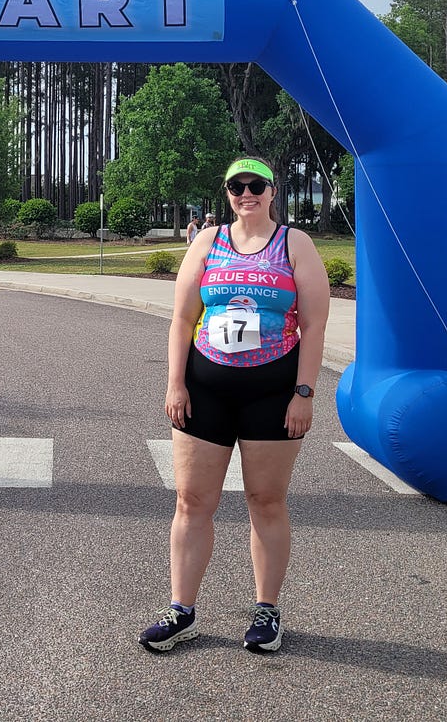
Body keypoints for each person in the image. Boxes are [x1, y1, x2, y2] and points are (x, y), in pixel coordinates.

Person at [139, 157, 330, 655]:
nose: (246, 193)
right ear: (227, 192)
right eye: (236, 186)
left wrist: (304, 393)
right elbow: (182, 318)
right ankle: (182, 611)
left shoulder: (295, 244)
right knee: (191, 501)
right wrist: (174, 385)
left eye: (256, 185)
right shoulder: (208, 241)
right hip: (206, 389)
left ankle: (266, 609)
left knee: (265, 501)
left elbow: (313, 326)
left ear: (272, 191)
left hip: (273, 392)